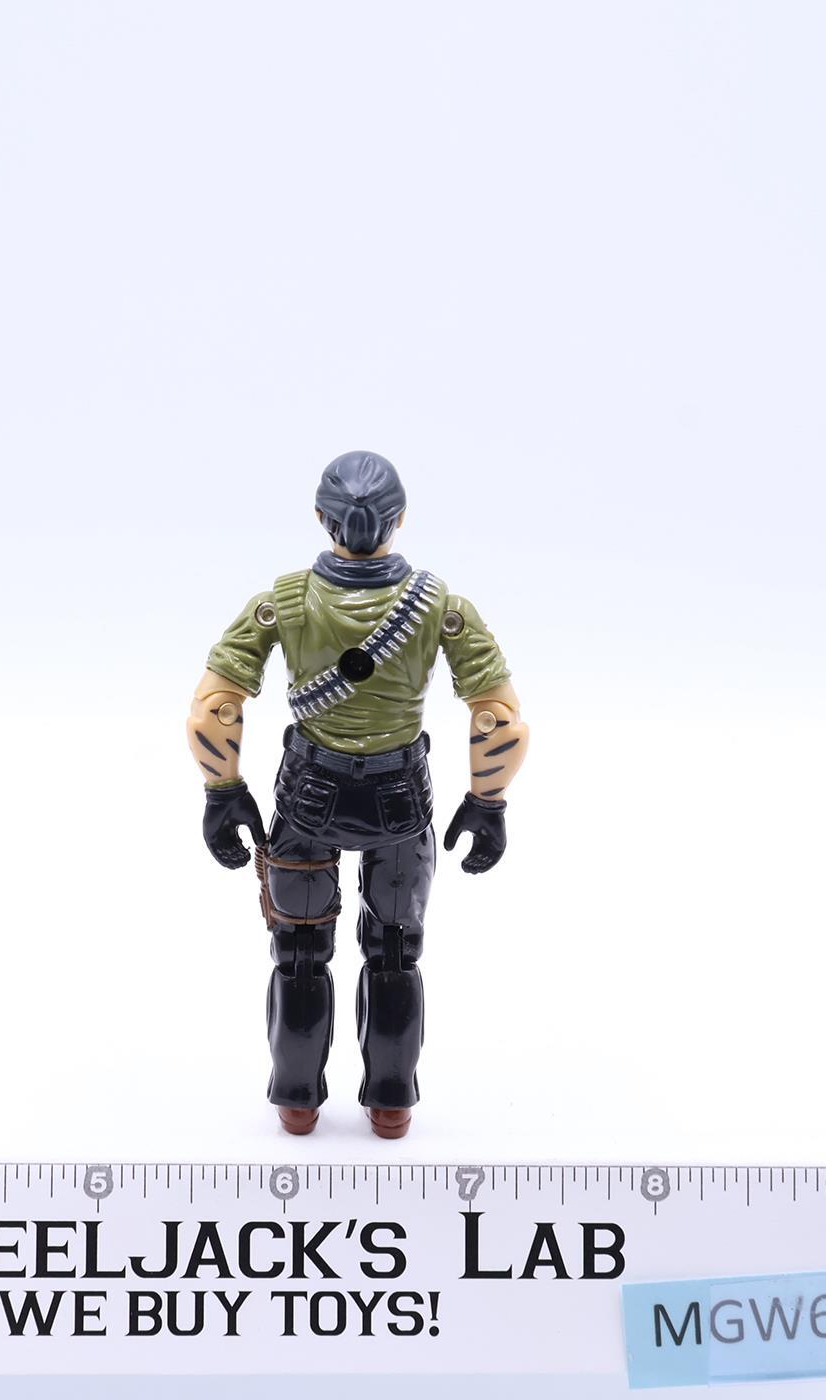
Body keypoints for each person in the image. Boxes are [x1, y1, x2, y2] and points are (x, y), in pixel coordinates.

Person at [186, 451, 528, 1138]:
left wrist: (223, 789)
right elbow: (497, 717)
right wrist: (487, 801)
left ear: (322, 517)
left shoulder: (283, 602)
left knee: (298, 953)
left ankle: (297, 1100)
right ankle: (391, 1101)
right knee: (396, 952)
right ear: (401, 519)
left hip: (307, 798)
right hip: (400, 799)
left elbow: (215, 707)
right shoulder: (441, 608)